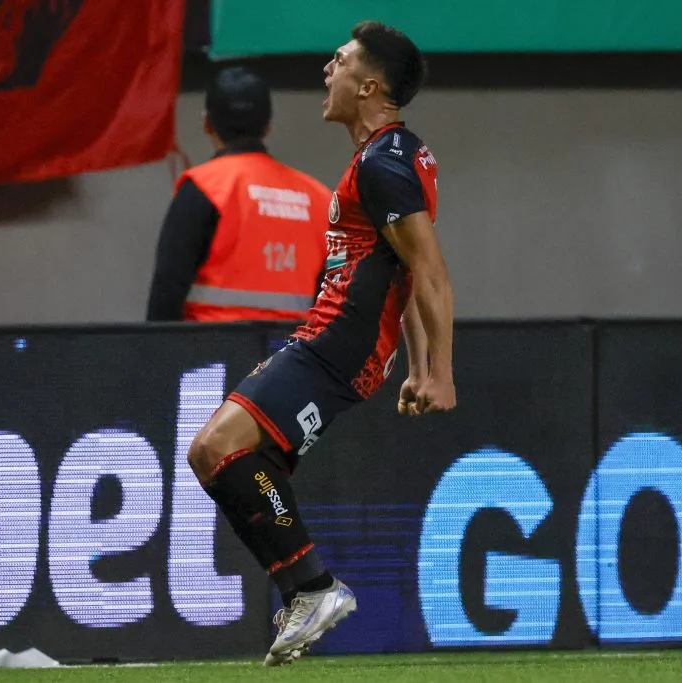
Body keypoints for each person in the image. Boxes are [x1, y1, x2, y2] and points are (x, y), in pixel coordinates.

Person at [186, 22, 456, 665]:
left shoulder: (385, 163)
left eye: (338, 61)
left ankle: (312, 588)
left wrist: (439, 371)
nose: (326, 70)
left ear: (370, 85)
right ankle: (306, 589)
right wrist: (416, 365)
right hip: (338, 341)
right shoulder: (389, 157)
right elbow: (405, 274)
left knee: (215, 446)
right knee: (228, 459)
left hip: (339, 342)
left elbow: (432, 271)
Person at [146, 66, 331, 322]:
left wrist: (155, 358)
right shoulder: (318, 199)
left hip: (214, 359)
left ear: (207, 123)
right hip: (291, 358)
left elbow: (167, 291)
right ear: (267, 126)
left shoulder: (204, 188)